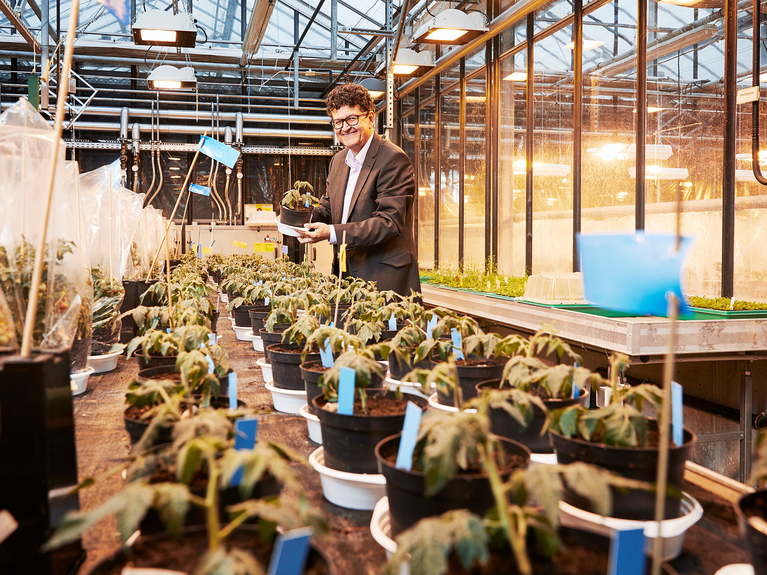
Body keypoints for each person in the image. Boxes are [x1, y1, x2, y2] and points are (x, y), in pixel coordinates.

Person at [298, 82, 421, 296]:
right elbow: (328, 208)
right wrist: (297, 217)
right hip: (346, 276)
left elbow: (389, 223)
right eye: (337, 122)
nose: (345, 128)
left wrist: (332, 232)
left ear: (371, 118)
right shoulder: (338, 161)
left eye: (351, 119)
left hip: (383, 280)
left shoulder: (392, 159)